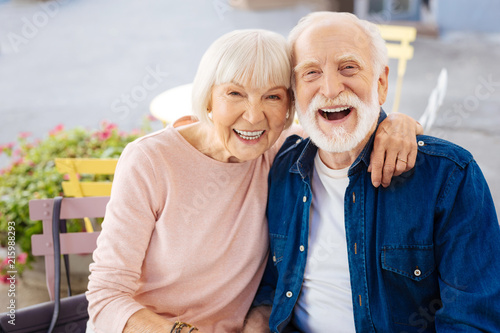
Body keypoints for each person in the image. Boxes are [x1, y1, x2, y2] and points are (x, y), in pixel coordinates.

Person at [86, 28, 422, 333]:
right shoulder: (151, 161)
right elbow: (107, 294)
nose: (253, 116)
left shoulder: (280, 151)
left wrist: (398, 123)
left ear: (291, 106)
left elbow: (345, 126)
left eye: (273, 97)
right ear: (208, 98)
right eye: (235, 94)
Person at [249, 12, 500, 332]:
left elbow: (473, 319)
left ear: (381, 83)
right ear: (295, 93)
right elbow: (272, 282)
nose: (329, 88)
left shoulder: (447, 177)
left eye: (348, 67)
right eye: (311, 72)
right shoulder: (282, 168)